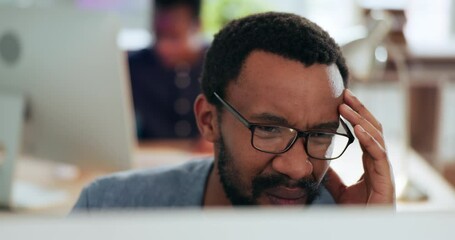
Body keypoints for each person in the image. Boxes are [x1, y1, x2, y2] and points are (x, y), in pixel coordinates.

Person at [73, 12, 395, 210]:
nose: (298, 168)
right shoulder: (108, 209)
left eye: (322, 135)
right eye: (268, 129)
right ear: (208, 120)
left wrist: (370, 234)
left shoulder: (350, 220)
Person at [129, 0, 206, 140]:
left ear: (197, 27)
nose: (162, 47)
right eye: (158, 35)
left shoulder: (219, 63)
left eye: (173, 37)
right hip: (152, 156)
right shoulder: (135, 66)